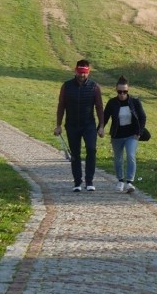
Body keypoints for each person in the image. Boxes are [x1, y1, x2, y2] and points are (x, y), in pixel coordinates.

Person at [54, 60, 105, 191]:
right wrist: (58, 125)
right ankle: (77, 182)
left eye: (85, 73)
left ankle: (89, 181)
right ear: (75, 71)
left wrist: (101, 126)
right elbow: (61, 106)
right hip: (72, 125)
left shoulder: (94, 87)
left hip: (89, 125)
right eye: (80, 72)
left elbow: (99, 107)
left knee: (91, 149)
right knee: (75, 154)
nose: (82, 75)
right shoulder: (66, 86)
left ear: (88, 73)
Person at [102, 75, 146, 194]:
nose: (122, 94)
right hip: (117, 135)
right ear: (116, 90)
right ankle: (120, 180)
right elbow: (104, 117)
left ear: (128, 90)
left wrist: (139, 133)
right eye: (119, 91)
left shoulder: (135, 102)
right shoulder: (112, 103)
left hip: (132, 135)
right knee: (118, 158)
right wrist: (100, 128)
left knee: (131, 155)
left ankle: (130, 182)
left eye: (124, 91)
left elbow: (142, 117)